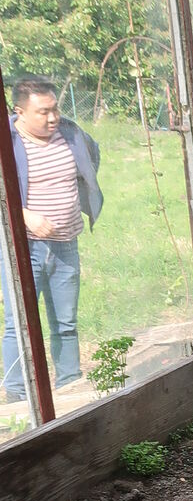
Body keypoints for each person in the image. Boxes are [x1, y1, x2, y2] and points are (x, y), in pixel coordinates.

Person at [2, 77, 103, 402]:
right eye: (43, 111)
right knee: (18, 323)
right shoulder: (8, 141)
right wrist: (22, 214)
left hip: (65, 245)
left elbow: (93, 156)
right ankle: (18, 395)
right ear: (20, 112)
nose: (52, 117)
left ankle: (70, 386)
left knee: (66, 321)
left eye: (55, 109)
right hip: (22, 248)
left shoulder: (71, 133)